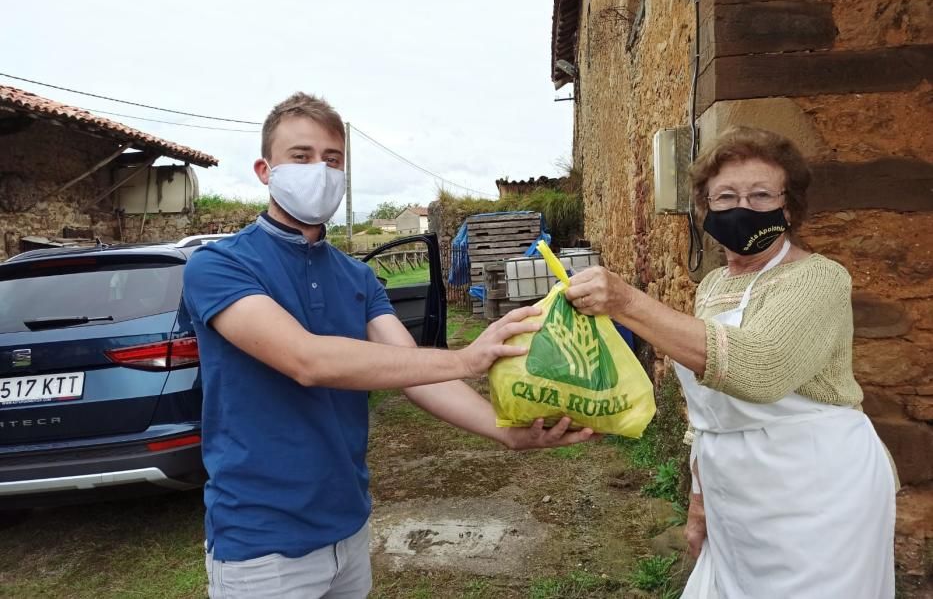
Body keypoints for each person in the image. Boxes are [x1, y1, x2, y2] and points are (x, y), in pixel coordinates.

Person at [182, 92, 595, 599]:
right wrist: (467, 356)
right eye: (302, 156)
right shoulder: (220, 266)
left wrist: (505, 432)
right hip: (261, 543)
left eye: (333, 159)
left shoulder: (357, 276)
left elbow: (414, 373)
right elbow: (305, 360)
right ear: (265, 170)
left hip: (348, 526)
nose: (320, 170)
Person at [564, 127, 897, 598]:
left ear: (789, 207)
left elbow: (759, 367)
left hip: (817, 493)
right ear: (706, 208)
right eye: (726, 196)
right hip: (733, 493)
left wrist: (626, 302)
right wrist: (700, 502)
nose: (743, 206)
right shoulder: (715, 285)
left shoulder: (820, 279)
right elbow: (707, 412)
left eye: (761, 194)